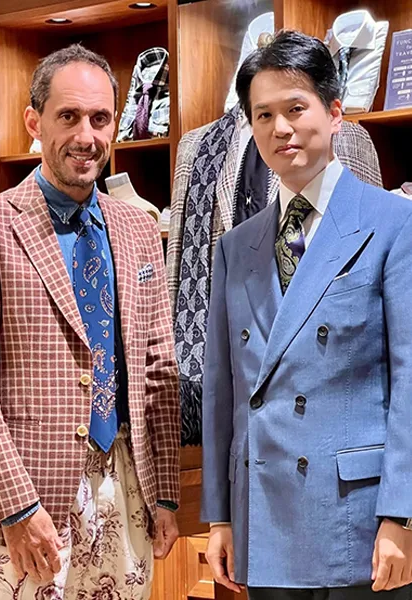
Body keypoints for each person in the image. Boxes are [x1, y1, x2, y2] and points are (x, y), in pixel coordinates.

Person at [0, 43, 180, 599]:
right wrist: (16, 506)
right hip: (27, 494)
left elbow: (158, 364)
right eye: (69, 116)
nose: (87, 136)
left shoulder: (139, 227)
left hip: (126, 486)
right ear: (34, 122)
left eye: (100, 119)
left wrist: (166, 494)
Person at [201, 30, 412, 600]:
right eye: (263, 115)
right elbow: (224, 390)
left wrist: (403, 514)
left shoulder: (393, 223)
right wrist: (220, 517)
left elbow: (410, 381)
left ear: (335, 113)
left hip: (360, 518)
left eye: (295, 108)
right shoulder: (236, 246)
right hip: (263, 515)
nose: (280, 128)